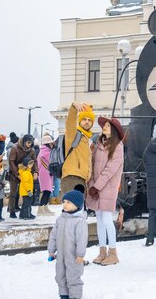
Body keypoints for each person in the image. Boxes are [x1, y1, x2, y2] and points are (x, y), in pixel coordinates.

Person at [87, 117, 124, 266]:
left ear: (114, 130)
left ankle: (113, 253)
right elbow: (91, 165)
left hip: (107, 187)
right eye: (104, 125)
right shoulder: (98, 145)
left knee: (107, 219)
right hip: (96, 187)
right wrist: (91, 185)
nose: (104, 127)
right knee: (99, 220)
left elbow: (110, 170)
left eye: (108, 126)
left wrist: (96, 186)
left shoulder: (118, 146)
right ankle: (102, 251)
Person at [48, 190, 88, 299]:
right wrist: (51, 251)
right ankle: (64, 296)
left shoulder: (79, 221)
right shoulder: (60, 219)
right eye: (64, 201)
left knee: (73, 277)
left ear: (77, 205)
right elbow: (53, 236)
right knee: (60, 276)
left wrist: (80, 254)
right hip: (61, 256)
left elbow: (82, 239)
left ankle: (75, 297)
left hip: (73, 257)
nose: (65, 204)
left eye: (69, 202)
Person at [61, 102, 95, 197]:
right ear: (79, 121)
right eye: (84, 119)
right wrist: (73, 108)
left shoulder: (88, 140)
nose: (87, 122)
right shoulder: (74, 134)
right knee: (72, 209)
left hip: (82, 179)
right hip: (71, 177)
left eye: (89, 120)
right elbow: (70, 123)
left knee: (76, 210)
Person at [8, 134, 36, 218]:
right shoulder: (15, 148)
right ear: (24, 141)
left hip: (26, 173)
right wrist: (17, 173)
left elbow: (34, 161)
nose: (29, 144)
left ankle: (24, 212)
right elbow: (11, 161)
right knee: (13, 193)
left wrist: (36, 172)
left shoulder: (32, 151)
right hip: (14, 173)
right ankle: (12, 211)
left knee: (26, 194)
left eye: (31, 143)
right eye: (28, 142)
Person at [37, 134, 55, 216]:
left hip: (46, 173)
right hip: (45, 174)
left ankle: (45, 207)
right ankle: (41, 208)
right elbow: (51, 159)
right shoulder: (45, 151)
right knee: (46, 191)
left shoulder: (45, 150)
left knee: (48, 191)